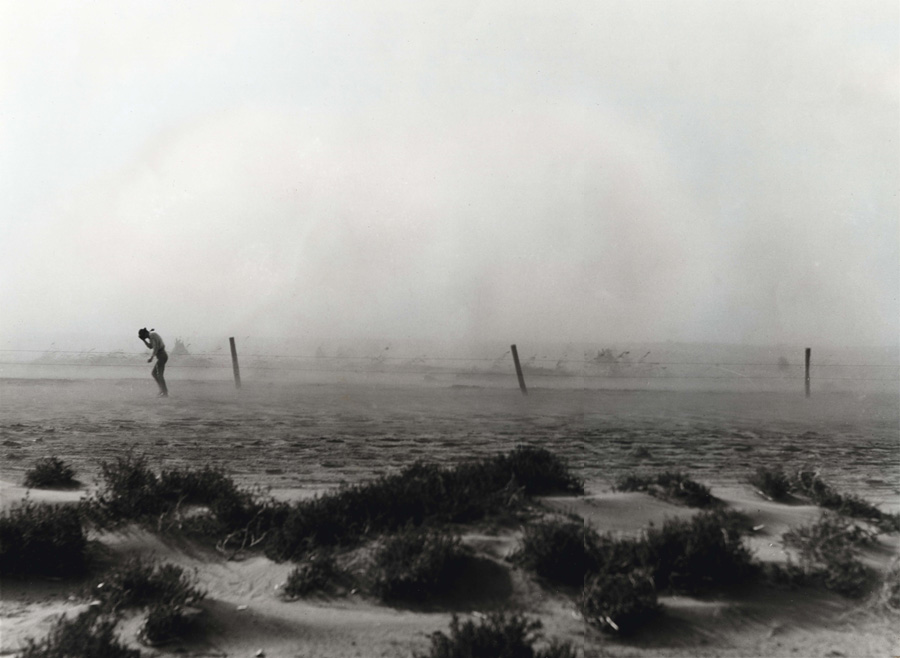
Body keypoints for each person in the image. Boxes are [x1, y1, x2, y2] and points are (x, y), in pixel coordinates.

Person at [138, 327, 168, 397]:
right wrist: (144, 340)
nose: (145, 337)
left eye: (144, 336)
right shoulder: (152, 336)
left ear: (145, 333)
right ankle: (162, 390)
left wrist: (152, 357)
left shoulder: (152, 336)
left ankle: (164, 392)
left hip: (162, 356)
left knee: (159, 375)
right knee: (154, 373)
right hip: (162, 356)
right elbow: (150, 346)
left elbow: (156, 347)